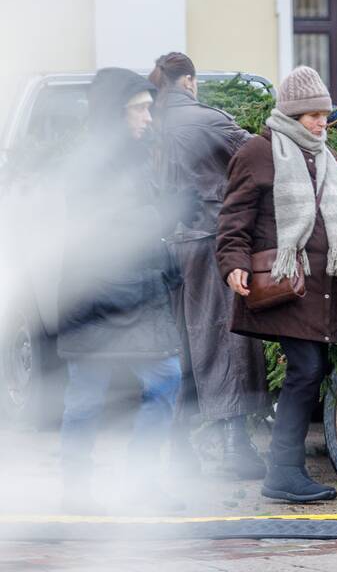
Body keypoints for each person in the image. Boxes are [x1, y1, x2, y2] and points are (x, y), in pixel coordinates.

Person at [217, 66, 337, 502]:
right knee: (306, 370)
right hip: (287, 281)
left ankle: (284, 472)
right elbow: (233, 218)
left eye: (325, 114)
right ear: (291, 114)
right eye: (312, 115)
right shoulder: (259, 152)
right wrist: (232, 263)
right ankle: (282, 473)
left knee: (308, 371)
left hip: (325, 285)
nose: (322, 123)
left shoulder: (329, 158)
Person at [57, 68, 187, 513]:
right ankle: (76, 491)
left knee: (164, 379)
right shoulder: (89, 166)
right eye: (140, 109)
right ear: (115, 114)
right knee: (86, 397)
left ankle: (142, 484)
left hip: (139, 298)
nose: (148, 118)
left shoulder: (136, 158)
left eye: (150, 108)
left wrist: (168, 264)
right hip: (97, 301)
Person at [150, 52, 269, 480]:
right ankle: (236, 450)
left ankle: (180, 451)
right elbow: (261, 157)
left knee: (178, 345)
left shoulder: (150, 122)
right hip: (210, 243)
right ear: (189, 82)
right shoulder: (209, 121)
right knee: (225, 339)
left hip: (164, 248)